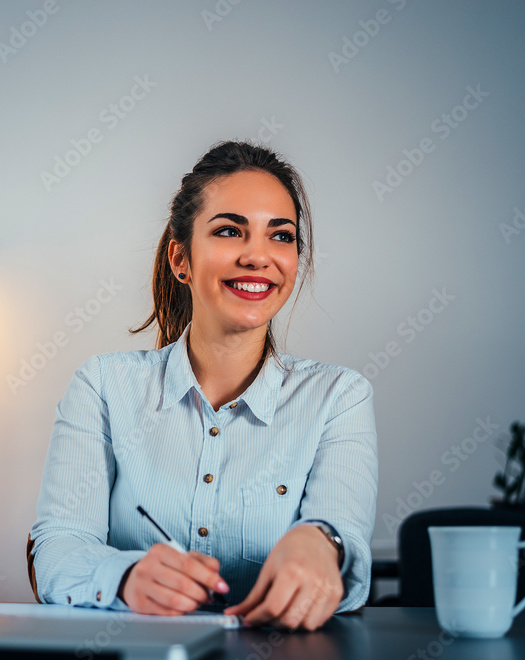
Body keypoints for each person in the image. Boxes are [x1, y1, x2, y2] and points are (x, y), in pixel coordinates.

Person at [27, 140, 378, 631]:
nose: (259, 256)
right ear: (180, 259)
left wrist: (323, 542)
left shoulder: (339, 398)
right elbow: (59, 547)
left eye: (281, 237)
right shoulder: (103, 386)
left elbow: (347, 539)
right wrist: (125, 577)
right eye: (231, 231)